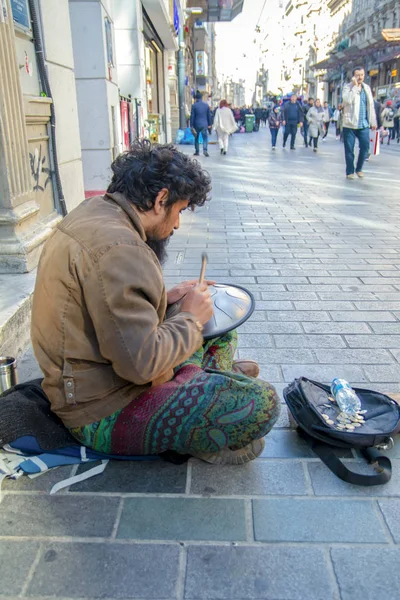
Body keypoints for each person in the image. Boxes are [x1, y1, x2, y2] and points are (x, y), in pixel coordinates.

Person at [30, 141, 280, 465]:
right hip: (102, 411)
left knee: (221, 329)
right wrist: (189, 318)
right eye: (178, 211)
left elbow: (117, 310)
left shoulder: (94, 214)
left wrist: (169, 300)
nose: (176, 225)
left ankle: (200, 380)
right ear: (161, 199)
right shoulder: (120, 249)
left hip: (88, 381)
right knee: (263, 403)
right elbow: (141, 365)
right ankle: (203, 385)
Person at [342, 66, 377, 179]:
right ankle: (350, 172)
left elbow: (370, 106)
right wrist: (355, 87)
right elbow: (347, 100)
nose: (360, 77)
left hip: (363, 124)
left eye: (361, 75)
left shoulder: (367, 88)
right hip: (350, 124)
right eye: (357, 75)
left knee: (365, 147)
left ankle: (359, 168)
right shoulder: (347, 87)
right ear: (353, 76)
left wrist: (373, 121)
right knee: (349, 150)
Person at [190, 91, 212, 157]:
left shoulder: (194, 106)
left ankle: (197, 151)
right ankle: (205, 150)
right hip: (204, 124)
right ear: (201, 98)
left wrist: (191, 125)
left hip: (196, 124)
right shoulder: (206, 105)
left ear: (196, 98)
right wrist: (209, 124)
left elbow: (192, 116)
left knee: (196, 138)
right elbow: (209, 115)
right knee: (205, 138)